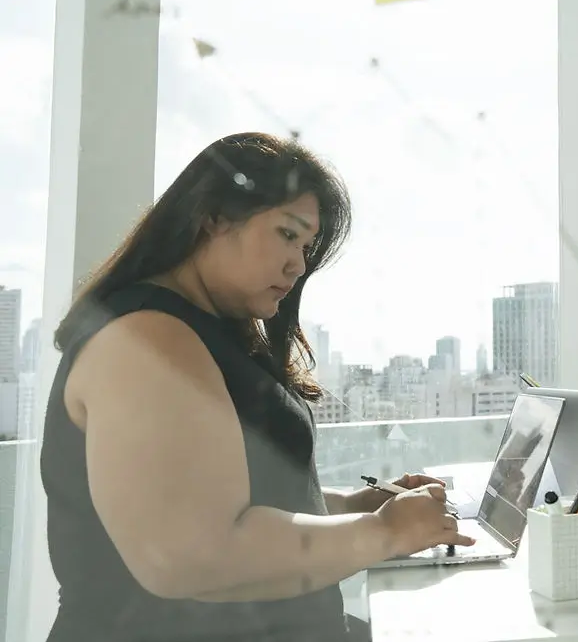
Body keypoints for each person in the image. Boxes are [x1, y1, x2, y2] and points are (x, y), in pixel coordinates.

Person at [40, 132, 475, 642]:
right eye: (288, 235)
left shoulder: (206, 334)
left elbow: (247, 498)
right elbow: (188, 557)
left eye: (308, 247)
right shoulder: (146, 338)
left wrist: (361, 506)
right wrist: (385, 532)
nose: (300, 264)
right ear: (214, 216)